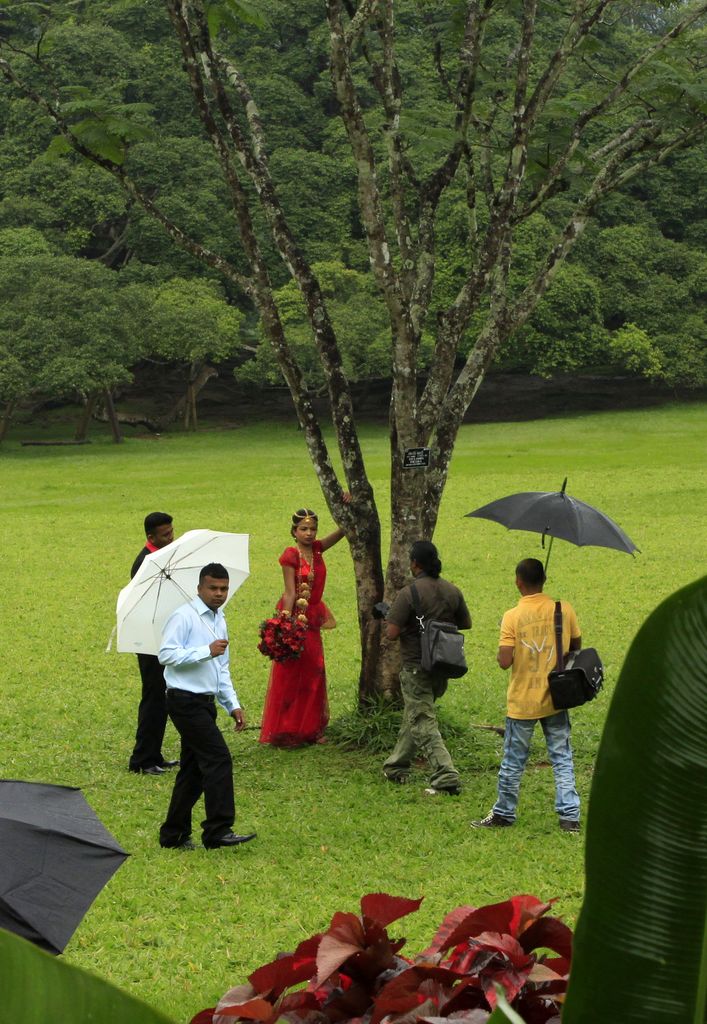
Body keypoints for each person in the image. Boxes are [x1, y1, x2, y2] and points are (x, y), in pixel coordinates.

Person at [472, 557, 582, 832]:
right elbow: (576, 646)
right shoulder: (563, 609)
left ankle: (504, 814)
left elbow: (504, 661)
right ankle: (570, 817)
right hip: (556, 698)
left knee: (513, 760)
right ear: (544, 580)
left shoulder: (512, 616)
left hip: (522, 701)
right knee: (562, 757)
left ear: (518, 582)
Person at [158, 563, 256, 850]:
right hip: (183, 701)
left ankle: (173, 834)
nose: (218, 594)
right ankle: (217, 829)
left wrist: (232, 704)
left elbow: (221, 668)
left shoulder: (218, 619)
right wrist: (205, 651)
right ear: (199, 588)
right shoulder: (183, 616)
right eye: (213, 588)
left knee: (193, 770)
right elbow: (166, 654)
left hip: (206, 702)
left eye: (224, 588)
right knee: (218, 759)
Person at [383, 540, 472, 795]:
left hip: (415, 666)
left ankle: (446, 774)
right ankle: (396, 765)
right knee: (416, 713)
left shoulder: (409, 593)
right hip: (443, 665)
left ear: (415, 564)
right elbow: (466, 623)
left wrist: (392, 616)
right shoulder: (452, 590)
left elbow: (391, 633)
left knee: (422, 719)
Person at [259, 504, 348, 747]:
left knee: (315, 669)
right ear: (294, 531)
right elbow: (289, 591)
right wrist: (285, 623)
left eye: (313, 529)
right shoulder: (291, 555)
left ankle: (312, 728)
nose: (309, 533)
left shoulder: (318, 549)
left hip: (314, 616)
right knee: (291, 673)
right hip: (296, 618)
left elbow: (343, 531)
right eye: (304, 529)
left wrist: (348, 505)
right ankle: (288, 728)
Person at [128, 511, 179, 776]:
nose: (171, 538)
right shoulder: (145, 563)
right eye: (165, 535)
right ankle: (142, 760)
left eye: (171, 532)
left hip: (160, 635)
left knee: (161, 697)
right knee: (154, 697)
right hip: (150, 639)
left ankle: (154, 754)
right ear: (151, 537)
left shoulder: (159, 556)